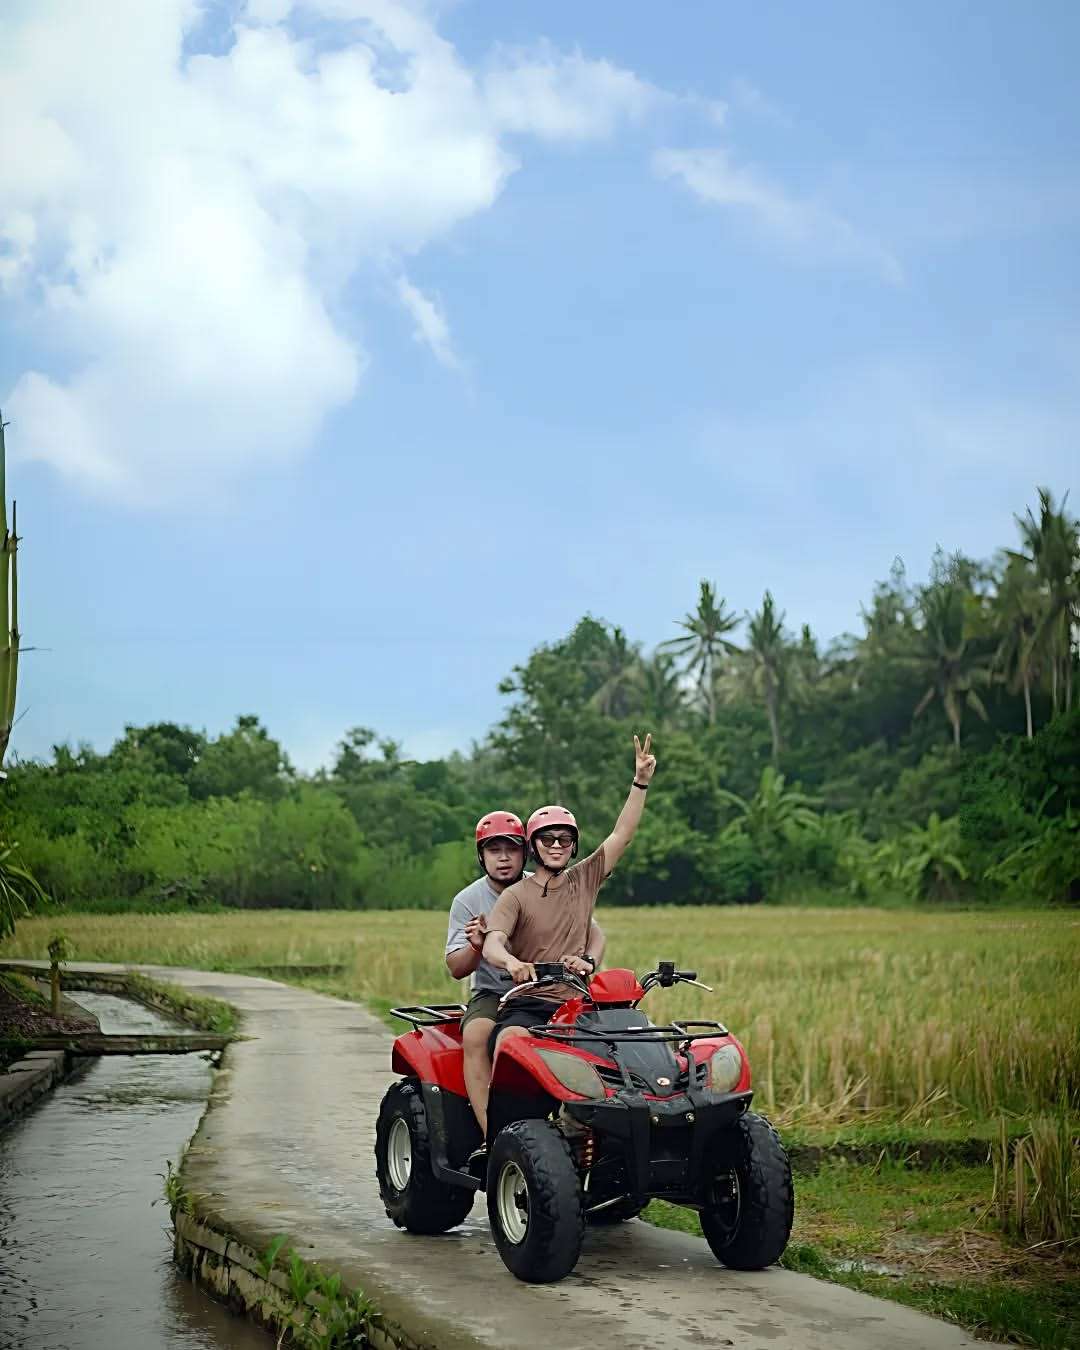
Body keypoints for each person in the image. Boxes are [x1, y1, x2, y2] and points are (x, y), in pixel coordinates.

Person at [482, 733, 656, 1059]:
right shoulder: (515, 895)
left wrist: (640, 782)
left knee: (628, 1052)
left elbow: (622, 835)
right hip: (530, 1002)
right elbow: (493, 943)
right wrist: (512, 962)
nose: (557, 845)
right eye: (547, 839)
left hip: (578, 1002)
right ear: (533, 846)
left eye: (565, 839)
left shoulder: (584, 879)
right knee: (511, 1043)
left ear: (574, 845)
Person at [445, 811, 606, 1134]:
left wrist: (589, 959)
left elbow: (593, 931)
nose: (504, 858)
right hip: (496, 991)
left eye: (512, 849)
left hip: (550, 990)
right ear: (481, 856)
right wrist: (478, 947)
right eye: (494, 850)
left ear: (527, 851)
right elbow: (456, 968)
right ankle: (491, 1133)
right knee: (478, 1035)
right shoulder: (468, 900)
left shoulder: (544, 885)